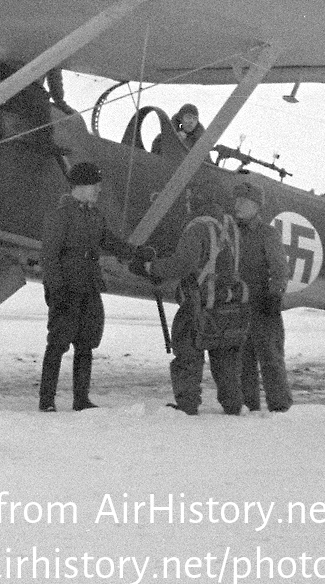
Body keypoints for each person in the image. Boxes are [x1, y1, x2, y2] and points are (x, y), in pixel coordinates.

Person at [38, 162, 150, 412]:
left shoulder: (94, 216)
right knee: (57, 344)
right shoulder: (60, 216)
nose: (98, 189)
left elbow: (108, 241)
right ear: (81, 186)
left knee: (87, 342)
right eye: (94, 184)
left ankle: (81, 399)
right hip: (67, 289)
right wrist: (56, 291)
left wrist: (135, 252)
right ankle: (46, 401)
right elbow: (50, 257)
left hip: (89, 287)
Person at [151, 180, 249, 415]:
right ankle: (234, 404)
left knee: (187, 354)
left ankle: (188, 404)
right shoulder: (231, 226)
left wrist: (152, 268)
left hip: (199, 303)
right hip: (229, 305)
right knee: (226, 358)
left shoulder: (197, 227)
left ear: (198, 200)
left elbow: (182, 264)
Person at [232, 177, 293, 413]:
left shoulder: (267, 234)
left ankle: (280, 407)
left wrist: (275, 295)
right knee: (242, 359)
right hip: (239, 305)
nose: (238, 205)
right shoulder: (230, 231)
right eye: (236, 200)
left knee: (271, 358)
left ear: (257, 206)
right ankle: (249, 406)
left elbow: (279, 268)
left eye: (244, 201)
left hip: (263, 305)